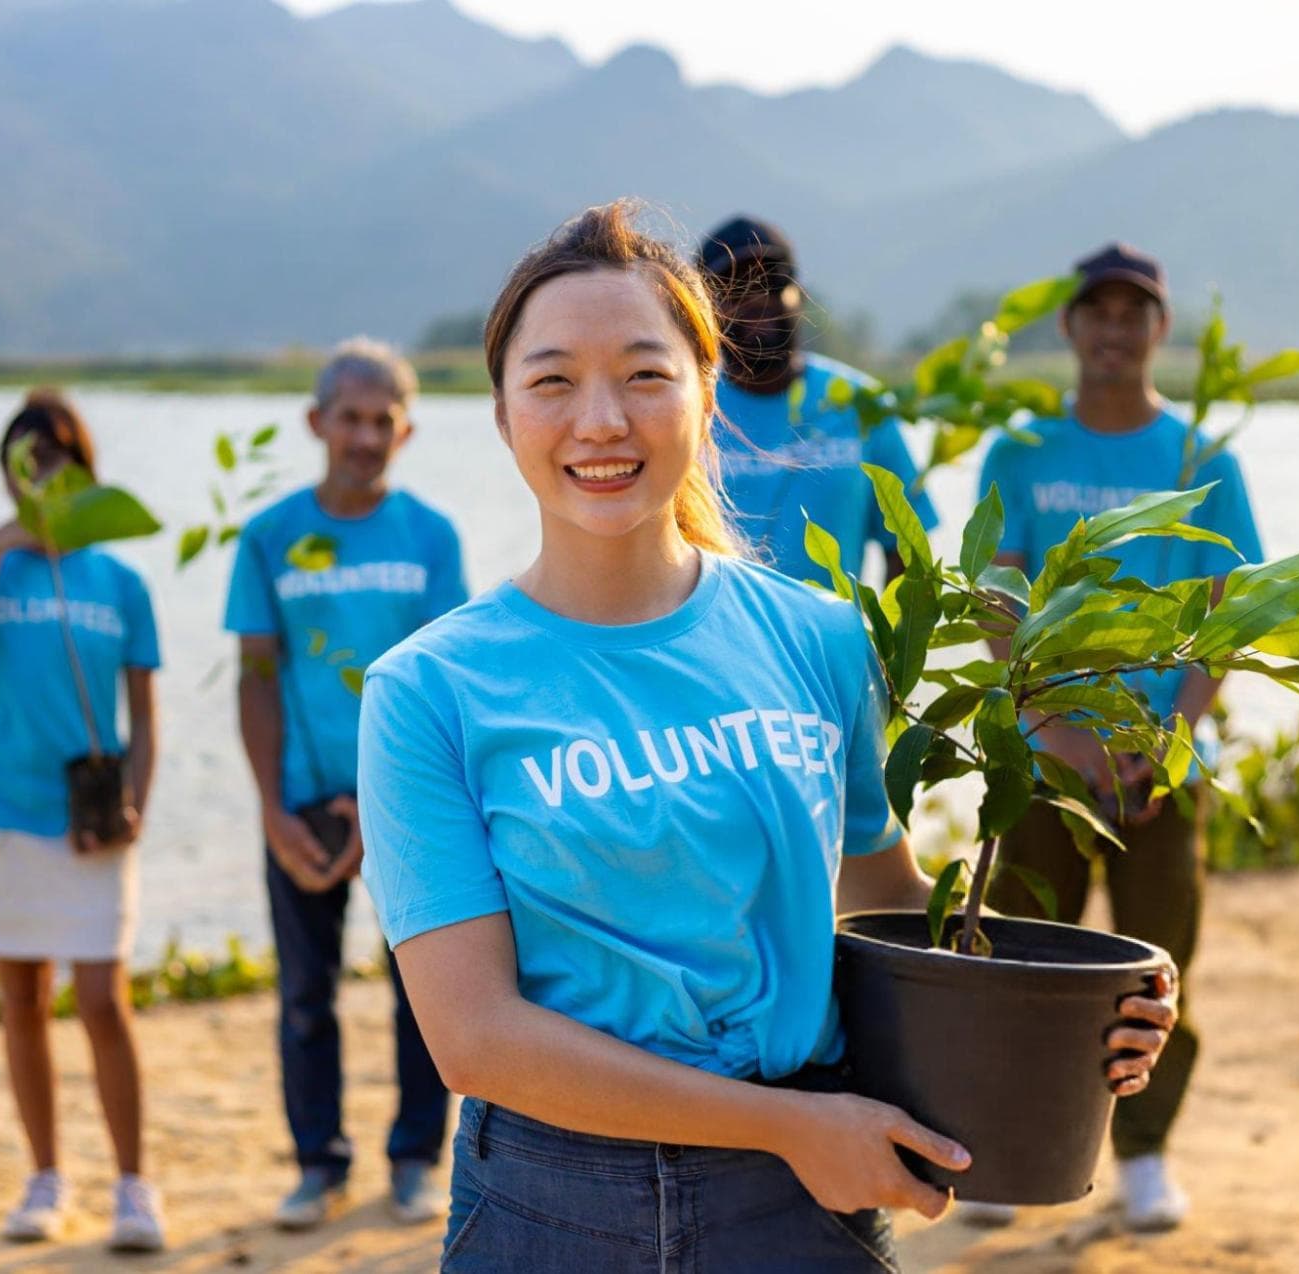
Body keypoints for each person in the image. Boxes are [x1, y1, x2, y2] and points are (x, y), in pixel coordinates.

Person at [355, 202, 1179, 1271]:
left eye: (646, 374)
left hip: (801, 1202)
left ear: (708, 397)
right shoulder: (429, 687)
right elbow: (475, 1036)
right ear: (506, 414)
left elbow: (880, 908)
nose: (600, 418)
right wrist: (787, 1127)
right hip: (552, 1206)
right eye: (552, 379)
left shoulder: (821, 638)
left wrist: (1079, 1022)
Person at [972, 242, 1264, 1233]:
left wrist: (1171, 734)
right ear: (1069, 327)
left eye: (1131, 311)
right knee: (1022, 954)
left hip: (1164, 765)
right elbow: (994, 594)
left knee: (1156, 960)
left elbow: (1230, 611)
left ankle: (1144, 1153)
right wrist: (1053, 725)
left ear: (1157, 327)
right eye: (1094, 311)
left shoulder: (1201, 462)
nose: (1111, 328)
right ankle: (1010, 1148)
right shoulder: (1020, 451)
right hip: (1047, 759)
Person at [225, 339, 467, 1229]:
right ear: (316, 422)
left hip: (409, 804)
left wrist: (382, 805)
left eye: (382, 421)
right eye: (350, 419)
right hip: (298, 801)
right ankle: (318, 1165)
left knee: (425, 990)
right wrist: (268, 811)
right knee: (303, 995)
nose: (364, 437)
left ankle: (415, 1161)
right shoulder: (271, 537)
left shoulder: (431, 537)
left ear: (405, 431)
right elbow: (255, 676)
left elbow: (445, 683)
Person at [0, 390, 166, 1251]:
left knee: (103, 1001)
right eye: (25, 463)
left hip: (89, 820)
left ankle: (134, 1186)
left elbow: (145, 710)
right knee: (21, 998)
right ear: (8, 473)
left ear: (81, 469)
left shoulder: (120, 578)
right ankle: (44, 1177)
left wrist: (137, 797)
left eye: (57, 460)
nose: (41, 476)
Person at [699, 214, 938, 588]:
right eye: (735, 288)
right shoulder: (687, 410)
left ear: (799, 293)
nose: (758, 301)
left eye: (774, 284)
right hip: (714, 647)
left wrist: (890, 640)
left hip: (836, 647)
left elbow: (910, 549)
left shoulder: (864, 405)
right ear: (701, 307)